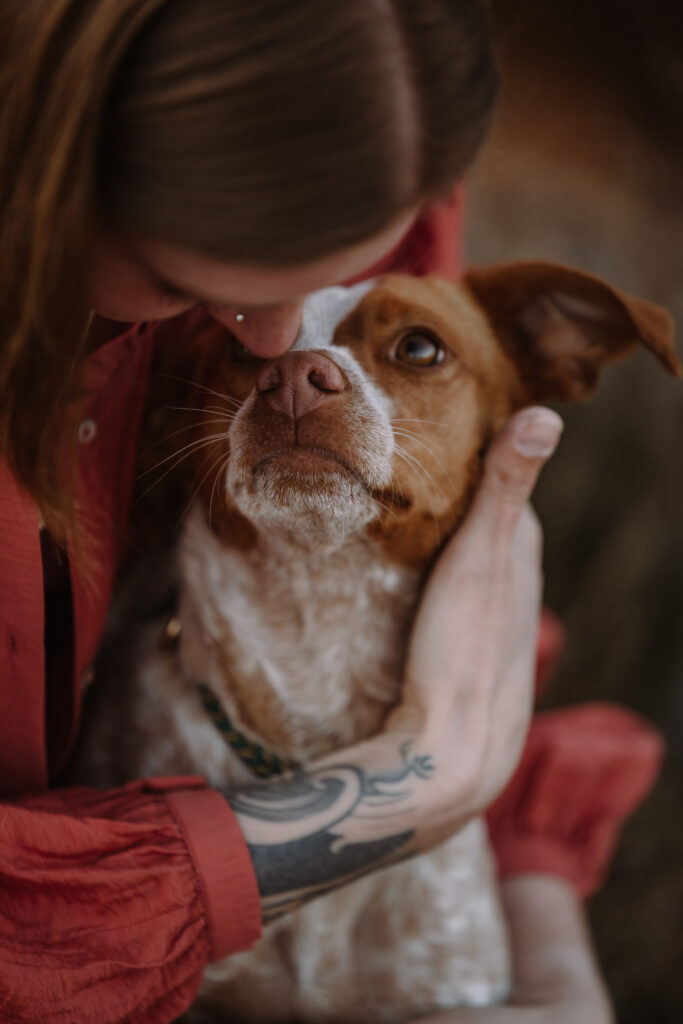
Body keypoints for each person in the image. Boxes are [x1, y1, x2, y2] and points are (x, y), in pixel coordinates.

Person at [0, 1, 662, 1021]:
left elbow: (473, 614)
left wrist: (552, 956)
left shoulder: (374, 157)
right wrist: (419, 786)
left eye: (411, 348)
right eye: (196, 293)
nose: (288, 358)